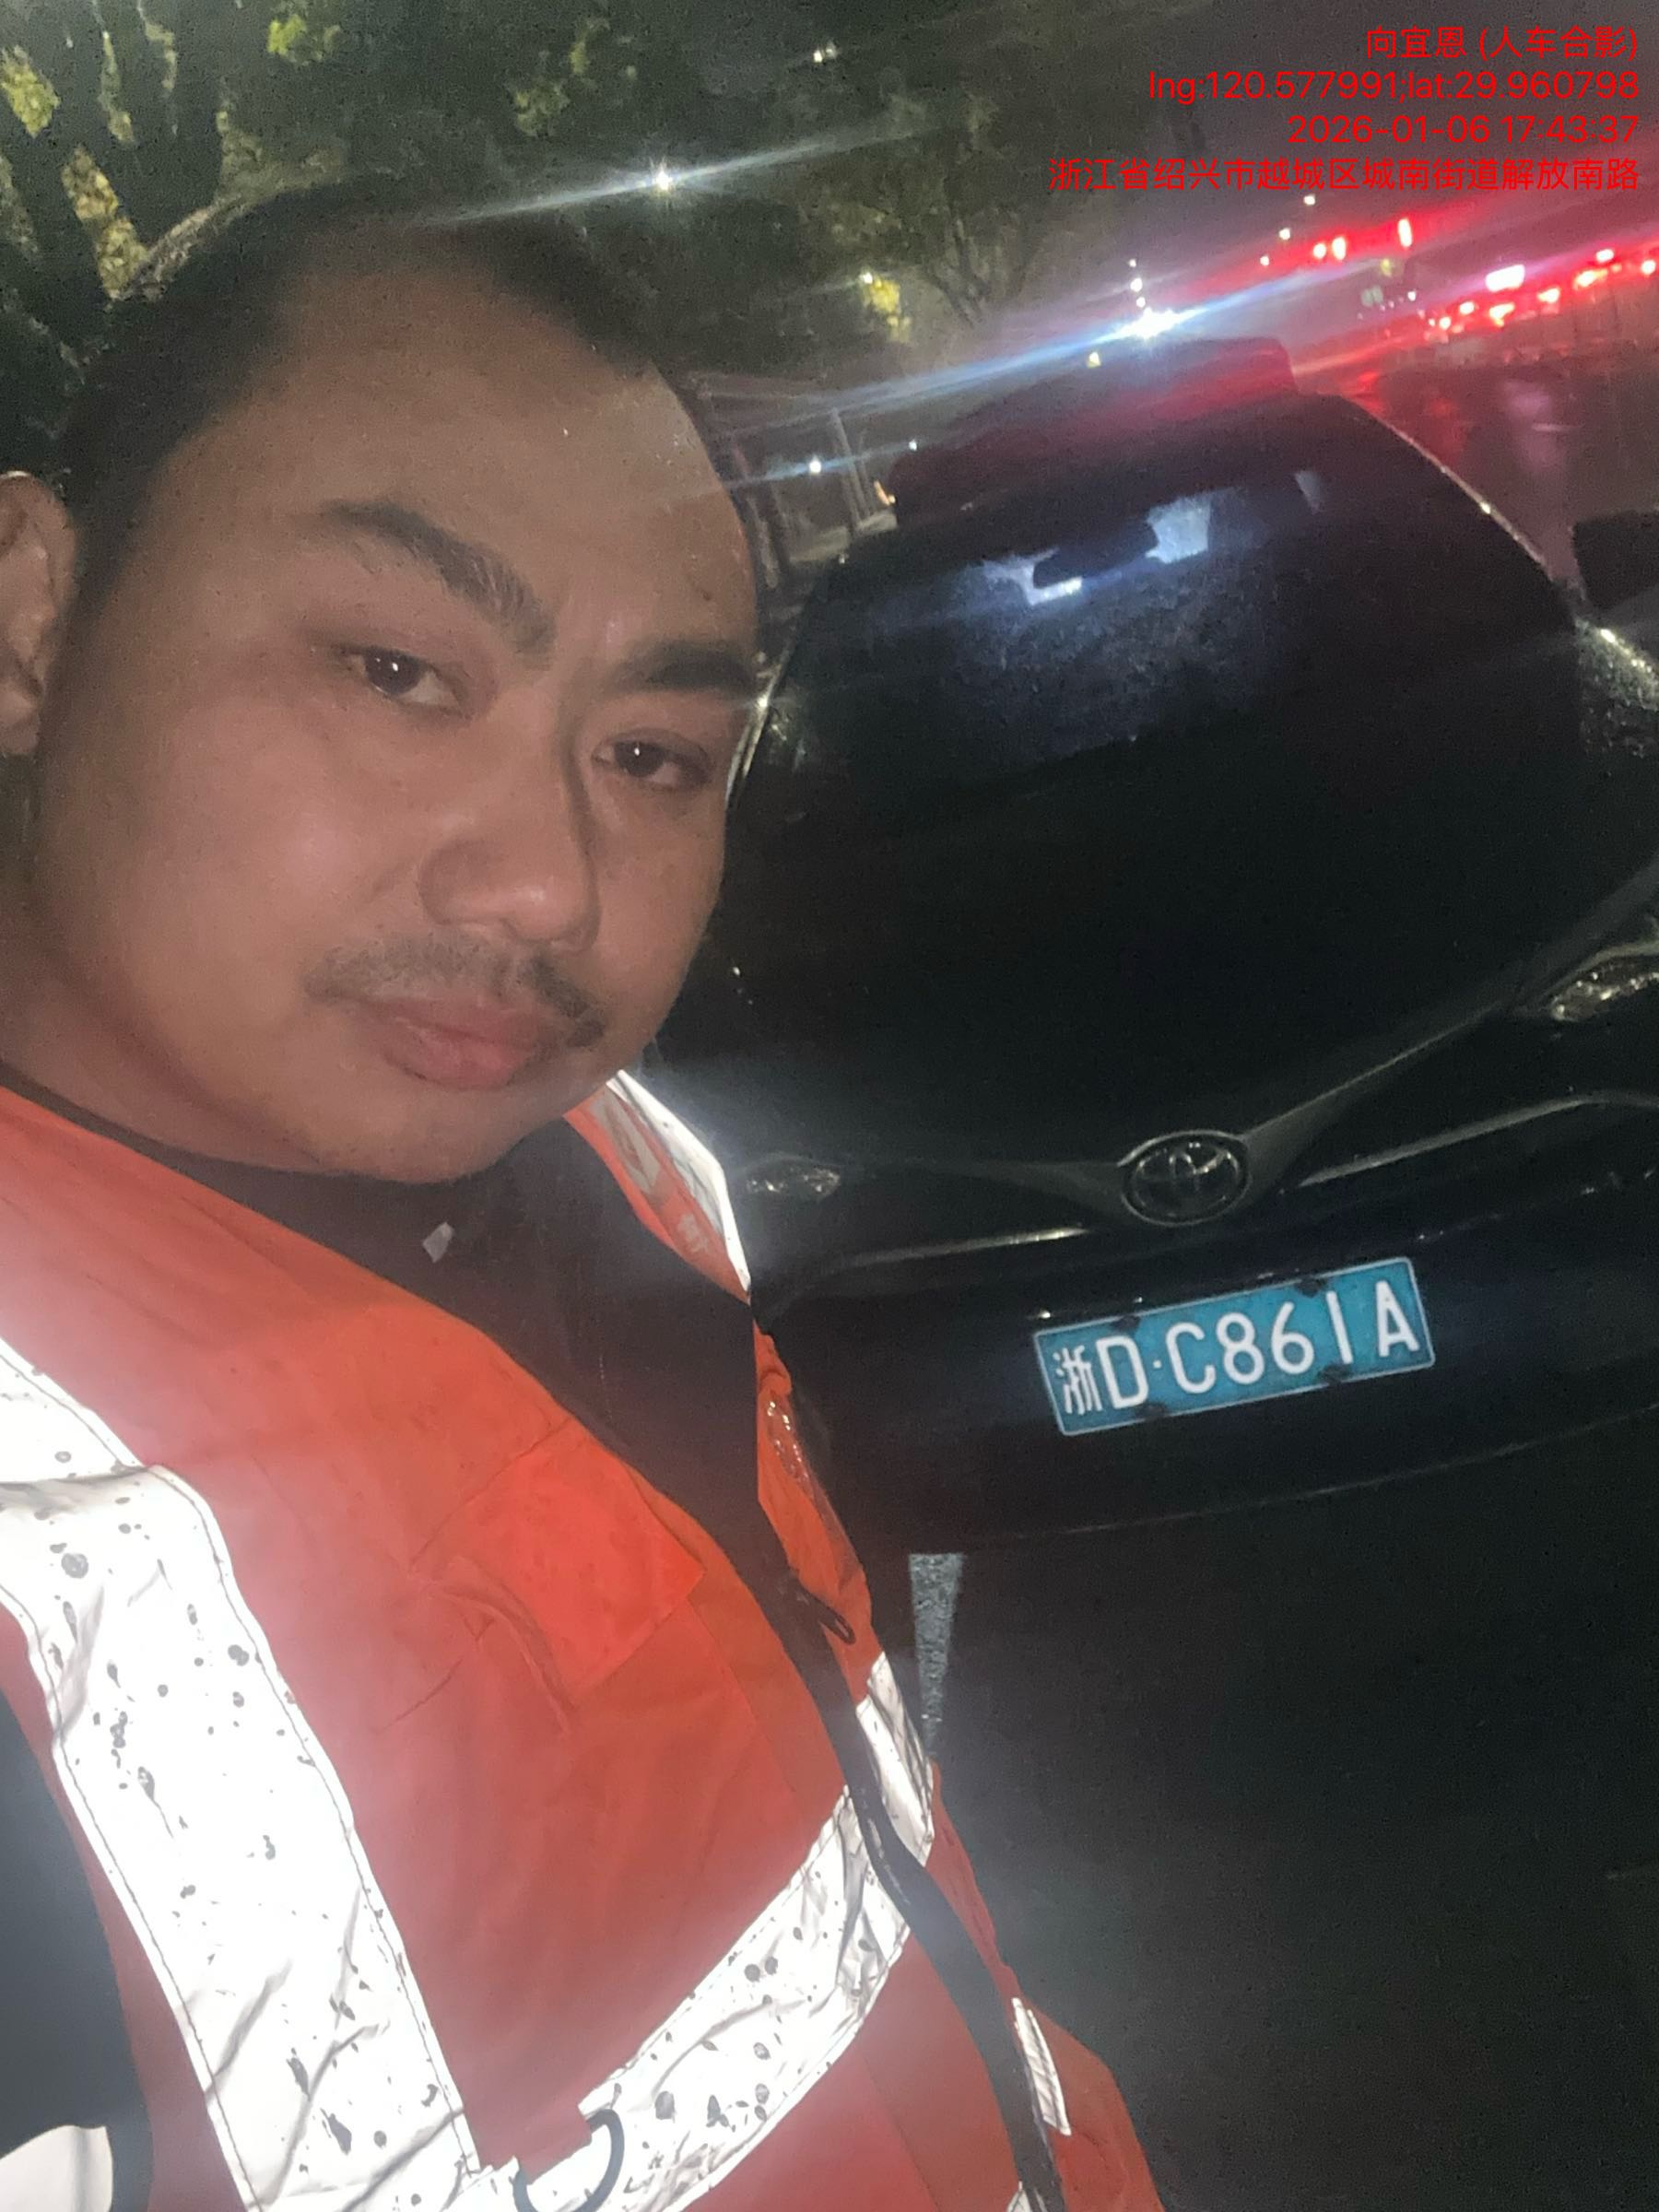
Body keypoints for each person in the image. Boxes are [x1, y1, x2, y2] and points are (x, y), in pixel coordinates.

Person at [0, 177, 1162, 2212]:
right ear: (31, 612)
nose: (547, 885)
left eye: (651, 755)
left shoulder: (616, 1164)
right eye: (394, 668)